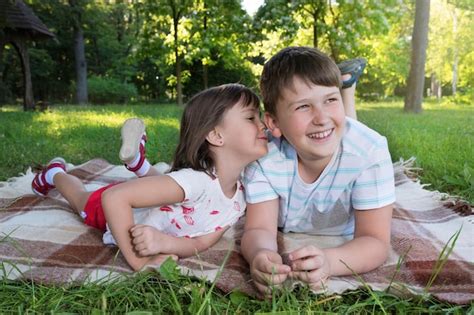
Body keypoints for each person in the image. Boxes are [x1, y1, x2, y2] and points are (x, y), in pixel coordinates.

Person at [31, 83, 268, 271]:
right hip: (115, 210)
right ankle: (55, 174)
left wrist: (165, 243)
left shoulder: (240, 199)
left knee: (171, 183)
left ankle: (138, 165)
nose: (263, 124)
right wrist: (139, 261)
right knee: (81, 198)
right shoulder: (197, 181)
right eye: (251, 118)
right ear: (216, 135)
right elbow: (114, 198)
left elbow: (199, 243)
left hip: (153, 199)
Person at [240, 46, 395, 295]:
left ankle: (347, 89)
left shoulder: (369, 152)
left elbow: (375, 241)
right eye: (303, 106)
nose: (321, 117)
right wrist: (261, 255)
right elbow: (258, 229)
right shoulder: (265, 159)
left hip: (352, 156)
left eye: (331, 99)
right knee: (335, 131)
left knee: (348, 136)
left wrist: (330, 262)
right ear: (274, 123)